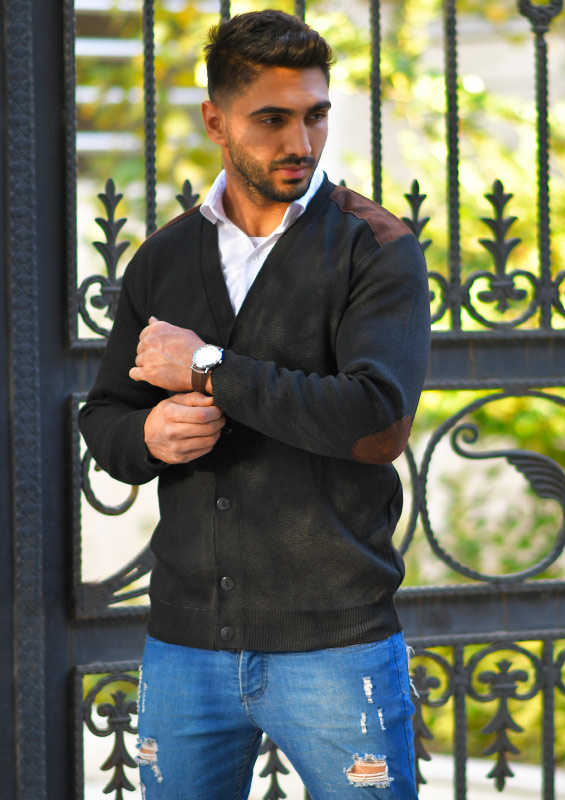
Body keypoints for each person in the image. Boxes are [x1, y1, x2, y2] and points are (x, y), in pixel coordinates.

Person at [79, 9, 430, 799]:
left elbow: (377, 421)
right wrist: (150, 433)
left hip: (335, 647)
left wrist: (209, 368)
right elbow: (104, 419)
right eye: (272, 119)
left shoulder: (375, 248)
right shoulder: (164, 258)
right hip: (184, 647)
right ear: (216, 121)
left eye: (315, 115)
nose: (300, 141)